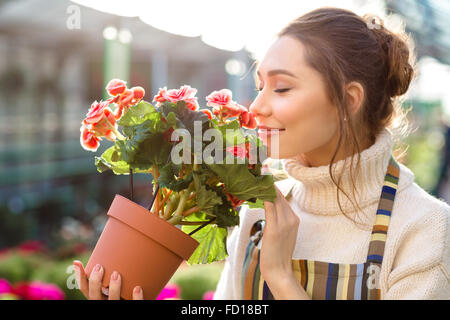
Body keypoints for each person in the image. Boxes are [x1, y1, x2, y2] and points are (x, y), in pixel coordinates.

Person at [213, 7, 450, 300]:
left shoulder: (423, 228)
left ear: (348, 101)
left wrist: (280, 277)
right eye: (261, 85)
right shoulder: (258, 213)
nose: (256, 107)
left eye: (282, 88)